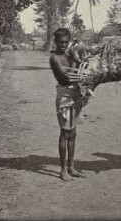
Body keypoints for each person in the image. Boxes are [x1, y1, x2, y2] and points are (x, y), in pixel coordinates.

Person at [50, 27, 86, 181]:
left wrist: (79, 60)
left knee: (73, 133)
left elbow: (82, 67)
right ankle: (62, 169)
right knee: (65, 133)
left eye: (66, 42)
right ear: (55, 42)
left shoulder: (71, 54)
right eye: (60, 42)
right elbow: (64, 79)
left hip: (75, 95)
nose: (63, 45)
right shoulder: (55, 58)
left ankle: (72, 167)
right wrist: (82, 73)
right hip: (64, 96)